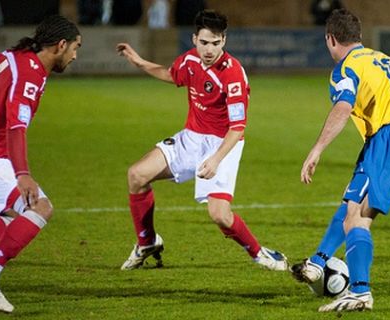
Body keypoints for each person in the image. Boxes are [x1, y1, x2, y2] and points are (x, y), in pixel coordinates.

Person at [291, 9, 390, 312]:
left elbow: (343, 107)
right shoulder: (388, 61)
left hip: (389, 141)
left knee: (357, 218)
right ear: (358, 37)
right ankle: (318, 262)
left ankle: (360, 291)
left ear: (330, 39)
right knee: (355, 204)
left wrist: (318, 148)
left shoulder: (346, 69)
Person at [116, 9, 288, 272]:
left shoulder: (232, 75)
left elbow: (238, 128)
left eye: (216, 43)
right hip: (191, 139)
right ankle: (147, 242)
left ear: (224, 41)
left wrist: (216, 159)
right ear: (195, 39)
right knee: (136, 175)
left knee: (220, 215)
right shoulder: (189, 60)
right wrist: (140, 62)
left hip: (223, 143)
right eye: (205, 42)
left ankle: (258, 253)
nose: (209, 49)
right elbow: (172, 75)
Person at [0, 15, 81, 313]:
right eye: (75, 48)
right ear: (61, 45)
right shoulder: (30, 75)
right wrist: (22, 174)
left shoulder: (13, 57)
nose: (75, 56)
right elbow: (16, 127)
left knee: (6, 212)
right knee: (39, 207)